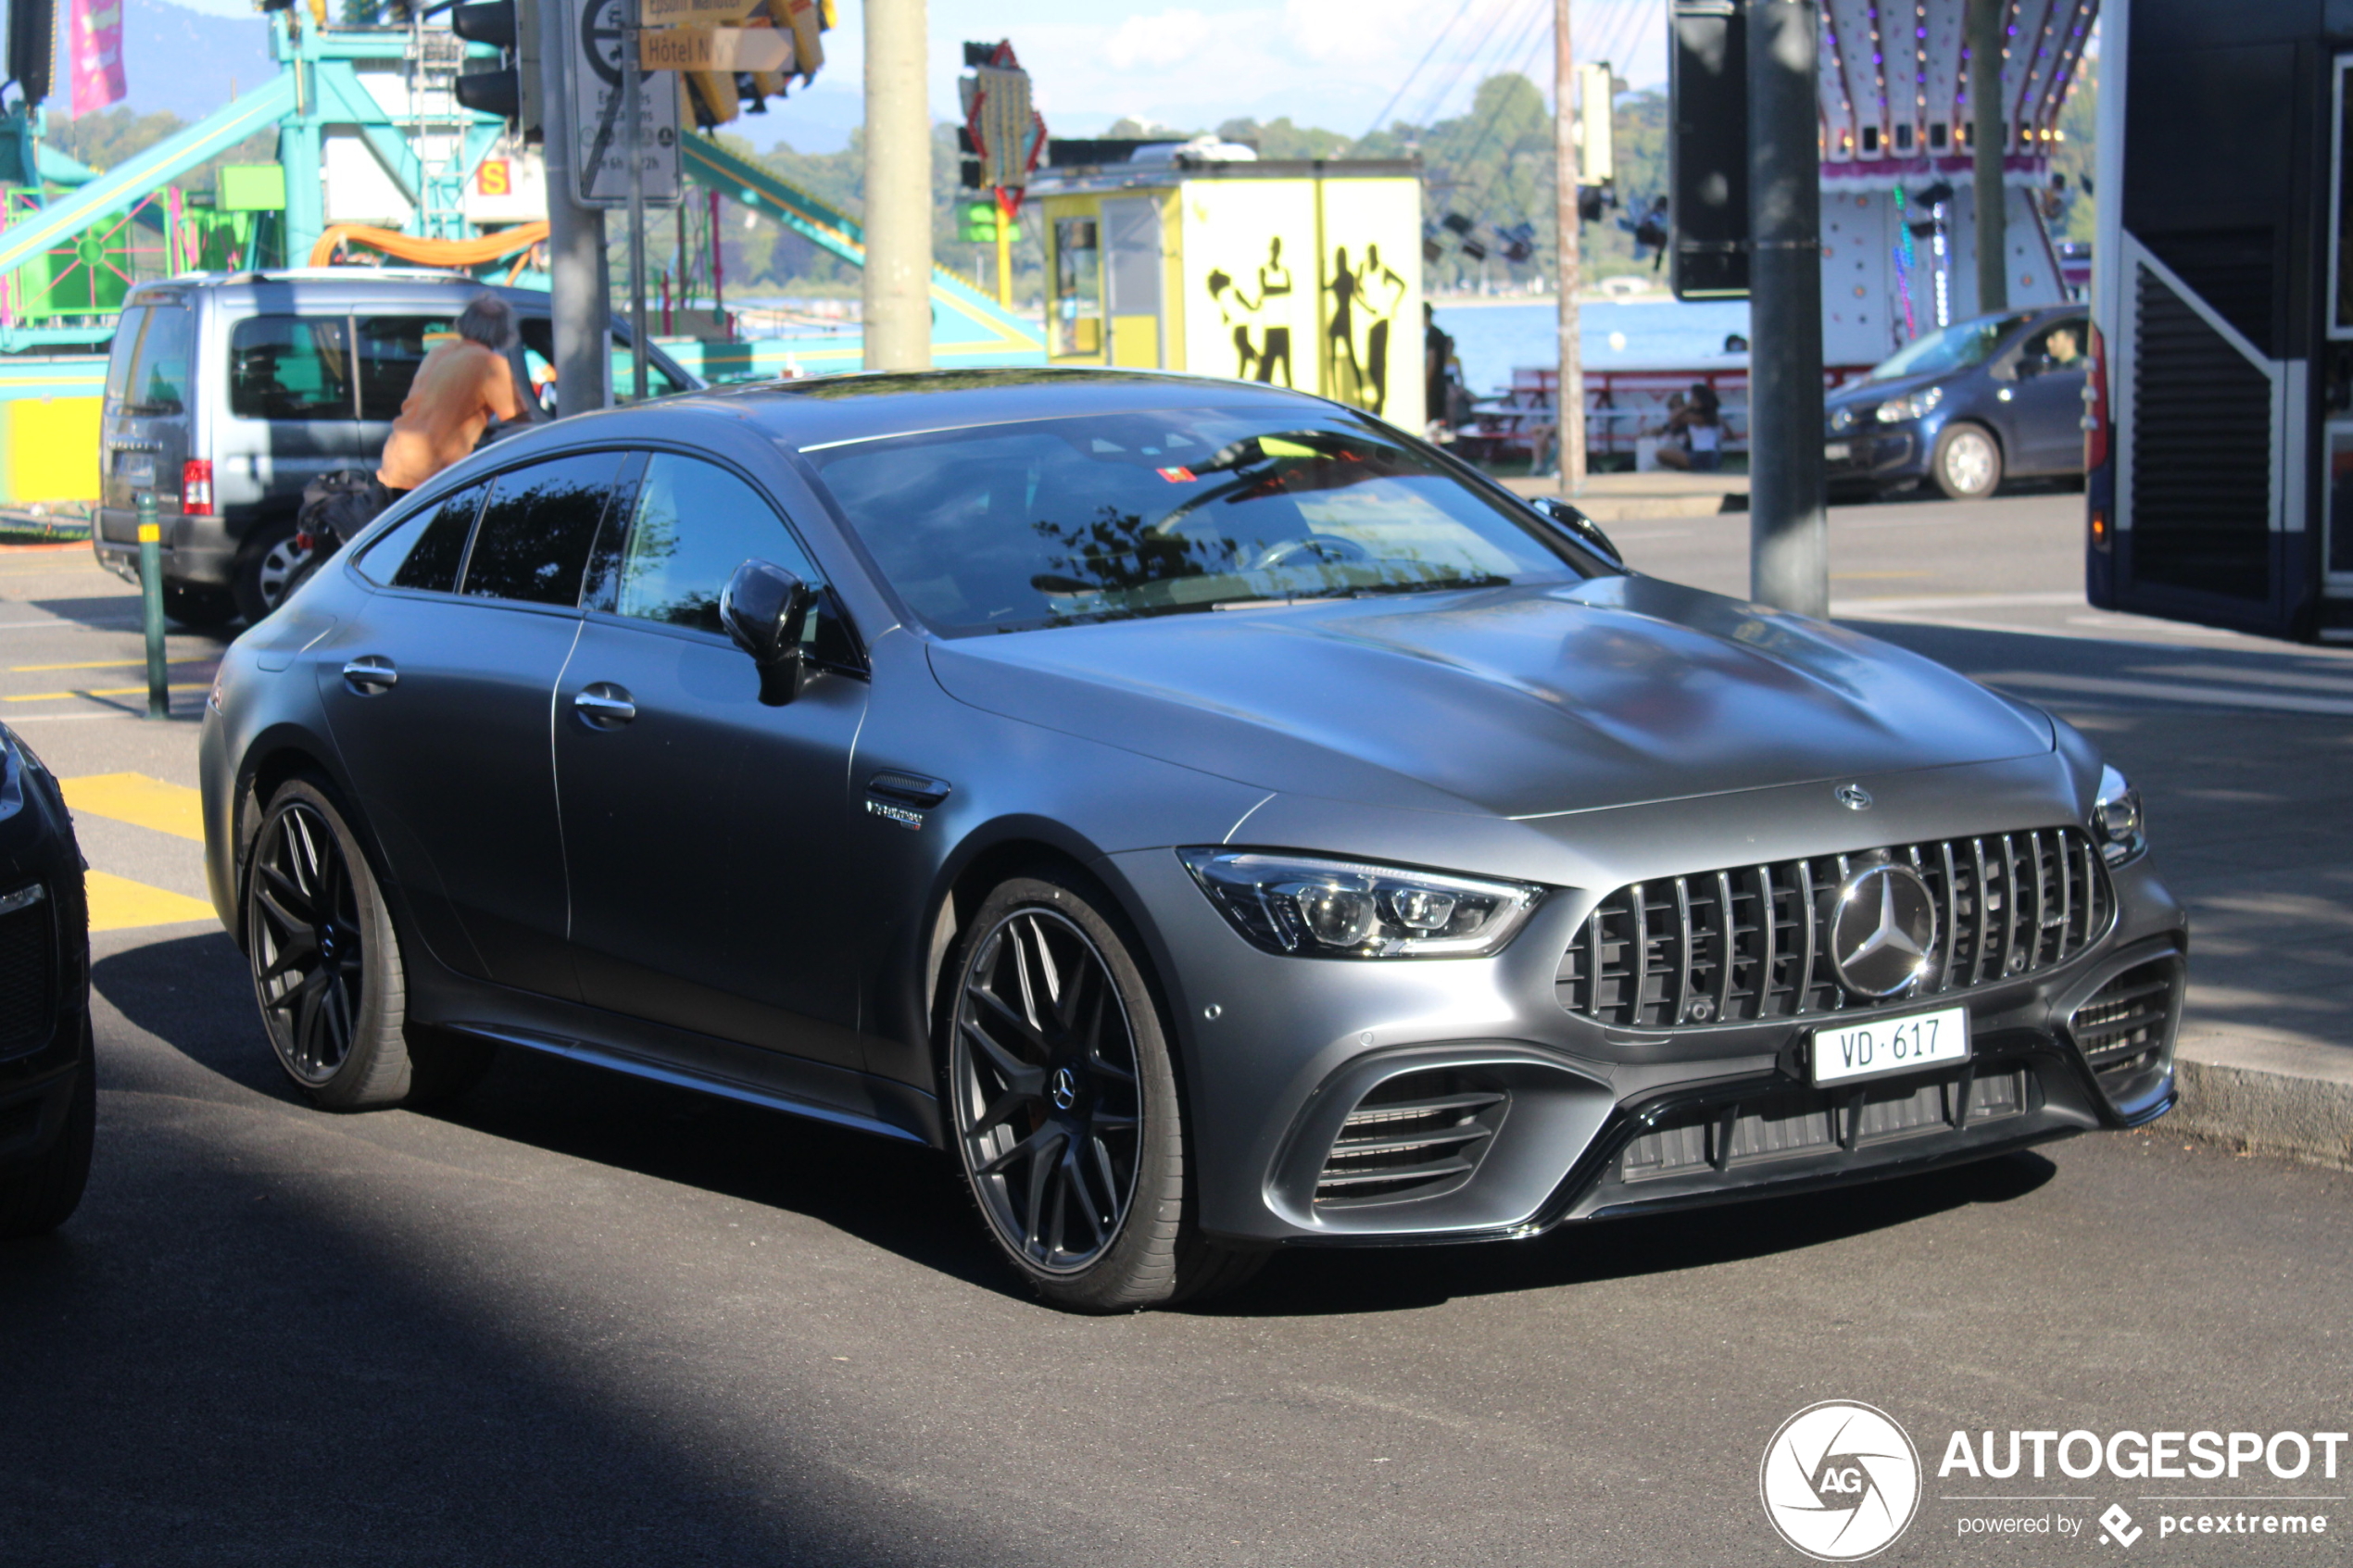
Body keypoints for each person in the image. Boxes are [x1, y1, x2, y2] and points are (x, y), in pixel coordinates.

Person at [376, 293, 527, 498]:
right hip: (432, 474)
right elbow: (521, 422)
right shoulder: (490, 364)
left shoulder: (440, 351)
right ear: (504, 332)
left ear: (462, 323)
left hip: (397, 461)